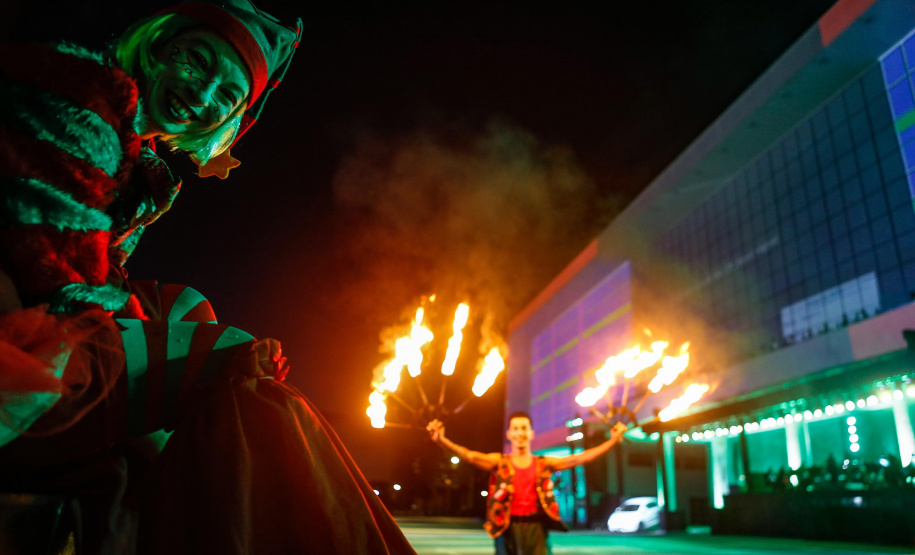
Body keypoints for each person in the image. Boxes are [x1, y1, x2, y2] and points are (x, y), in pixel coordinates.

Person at [0, 2, 416, 553]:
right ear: (158, 43)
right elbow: (57, 275)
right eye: (197, 61)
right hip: (23, 343)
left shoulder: (136, 159)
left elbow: (104, 276)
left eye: (226, 96)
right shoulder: (84, 102)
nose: (202, 96)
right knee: (237, 359)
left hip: (45, 313)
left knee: (187, 308)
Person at [427, 411, 627, 555]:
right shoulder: (499, 462)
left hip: (536, 528)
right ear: (509, 434)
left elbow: (581, 458)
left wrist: (612, 440)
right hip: (506, 526)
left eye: (524, 428)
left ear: (531, 433)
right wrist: (441, 440)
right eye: (515, 428)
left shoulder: (543, 463)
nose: (520, 433)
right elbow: (469, 455)